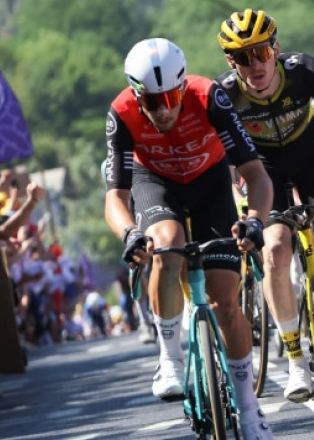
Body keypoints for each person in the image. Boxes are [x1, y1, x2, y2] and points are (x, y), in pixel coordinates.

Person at [104, 38, 275, 439]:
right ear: (135, 94)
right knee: (165, 242)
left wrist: (255, 221)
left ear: (183, 87)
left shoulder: (209, 96)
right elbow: (116, 196)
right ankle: (170, 358)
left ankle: (250, 411)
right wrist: (129, 233)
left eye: (171, 97)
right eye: (152, 101)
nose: (164, 110)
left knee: (226, 304)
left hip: (210, 183)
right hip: (156, 182)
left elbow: (255, 173)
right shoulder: (122, 113)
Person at [213, 9, 314, 400]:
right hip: (263, 170)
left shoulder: (306, 72)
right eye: (242, 57)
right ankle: (295, 358)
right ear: (230, 61)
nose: (255, 64)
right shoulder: (225, 96)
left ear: (276, 48)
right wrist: (242, 207)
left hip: (312, 157)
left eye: (262, 52)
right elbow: (227, 166)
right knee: (273, 249)